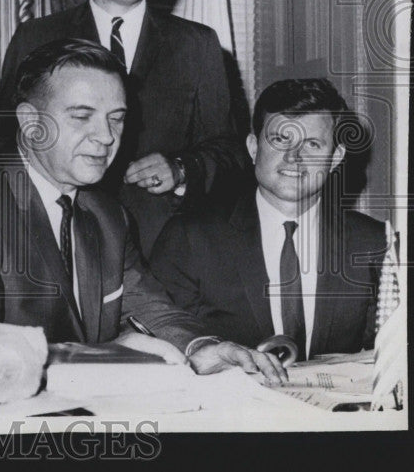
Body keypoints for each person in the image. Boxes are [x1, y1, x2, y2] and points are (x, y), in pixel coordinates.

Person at [0, 39, 286, 383]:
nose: (106, 136)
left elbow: (151, 309)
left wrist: (203, 348)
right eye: (82, 116)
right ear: (30, 123)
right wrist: (109, 354)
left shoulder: (106, 214)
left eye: (116, 117)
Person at [0, 0, 247, 257]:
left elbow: (231, 154)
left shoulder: (197, 45)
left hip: (163, 251)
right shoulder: (37, 37)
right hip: (58, 245)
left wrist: (181, 170)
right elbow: (6, 144)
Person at [150, 79, 384, 360]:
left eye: (311, 144)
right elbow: (161, 343)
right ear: (252, 147)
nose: (294, 157)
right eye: (280, 139)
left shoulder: (374, 243)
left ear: (335, 158)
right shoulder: (189, 238)